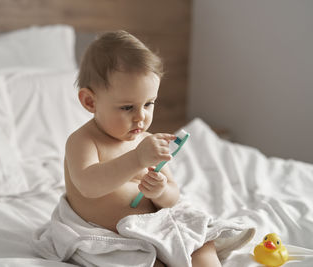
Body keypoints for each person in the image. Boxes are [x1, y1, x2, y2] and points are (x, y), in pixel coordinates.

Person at [64, 30, 222, 267]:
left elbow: (173, 195)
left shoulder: (145, 141)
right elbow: (88, 185)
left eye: (148, 104)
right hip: (112, 237)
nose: (141, 117)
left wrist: (160, 192)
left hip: (154, 227)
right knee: (145, 263)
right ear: (90, 101)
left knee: (202, 244)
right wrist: (136, 159)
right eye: (127, 107)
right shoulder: (83, 141)